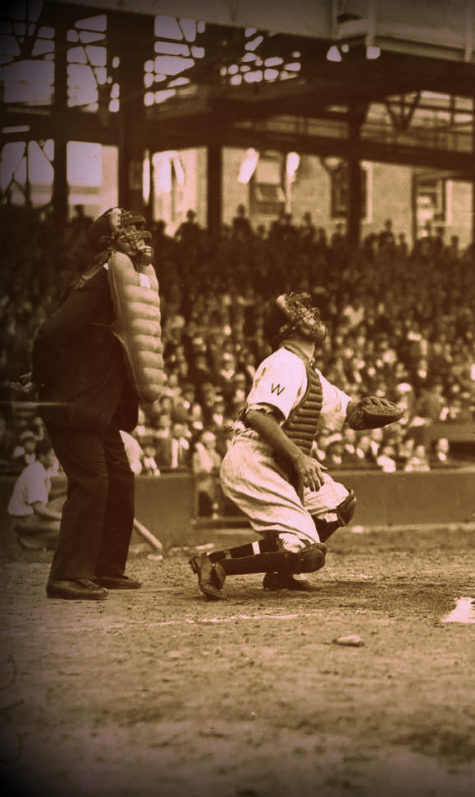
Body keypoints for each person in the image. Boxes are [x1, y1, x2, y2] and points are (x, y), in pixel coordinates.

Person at [188, 292, 366, 599]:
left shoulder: (308, 370)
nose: (312, 315)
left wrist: (375, 410)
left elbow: (350, 409)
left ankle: (280, 572)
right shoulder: (285, 362)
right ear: (287, 329)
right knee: (309, 552)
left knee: (337, 504)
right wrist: (300, 458)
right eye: (300, 313)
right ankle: (216, 563)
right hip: (254, 460)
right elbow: (257, 416)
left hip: (279, 462)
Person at [30, 207, 163, 599]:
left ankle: (106, 568)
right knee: (92, 482)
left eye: (142, 227)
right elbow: (51, 331)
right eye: (130, 230)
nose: (141, 236)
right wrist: (41, 377)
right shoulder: (98, 281)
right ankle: (67, 575)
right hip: (71, 404)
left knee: (120, 478)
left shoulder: (125, 284)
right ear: (108, 244)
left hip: (97, 409)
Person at [6, 437, 62, 550]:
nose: (56, 458)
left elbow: (47, 495)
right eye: (53, 455)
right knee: (63, 528)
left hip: (31, 516)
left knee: (65, 502)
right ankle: (29, 541)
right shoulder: (35, 473)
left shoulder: (41, 469)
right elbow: (38, 508)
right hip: (22, 519)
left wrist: (67, 490)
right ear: (42, 457)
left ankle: (41, 539)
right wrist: (61, 517)